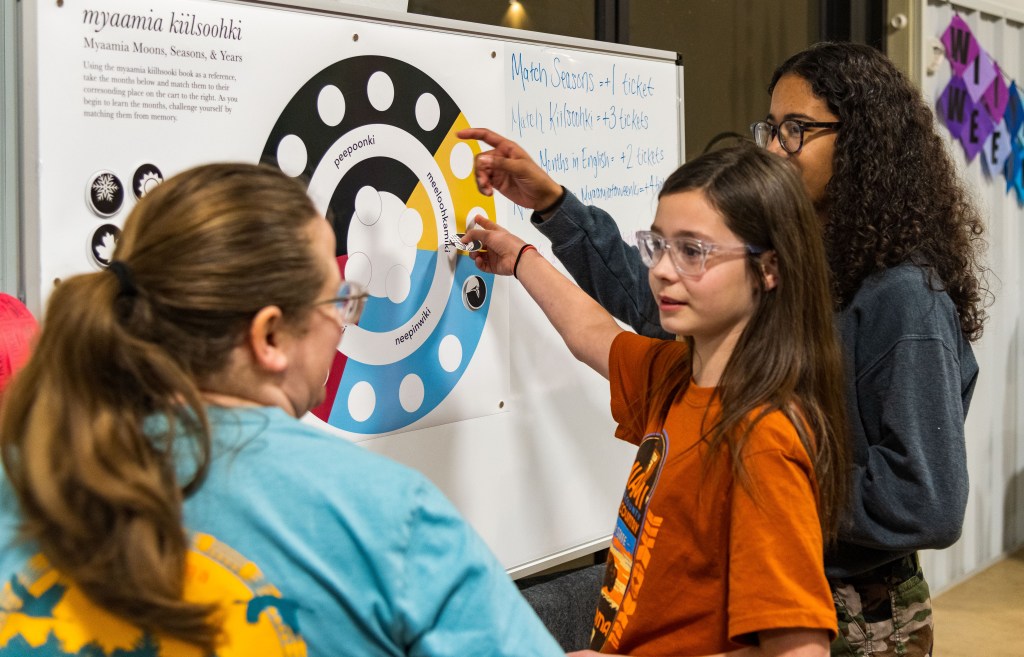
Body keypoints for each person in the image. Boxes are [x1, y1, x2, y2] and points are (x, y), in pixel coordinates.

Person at [458, 41, 988, 657]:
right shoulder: (702, 362)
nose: (775, 148)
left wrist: (760, 484)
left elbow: (926, 502)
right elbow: (617, 326)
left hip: (853, 609)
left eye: (797, 130)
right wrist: (546, 220)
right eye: (772, 128)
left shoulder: (897, 303)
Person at [0, 163, 564, 656]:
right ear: (269, 336)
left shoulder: (28, 472)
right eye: (339, 299)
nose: (344, 320)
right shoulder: (388, 518)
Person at [463, 144, 851, 657]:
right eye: (658, 246)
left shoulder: (763, 439)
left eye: (692, 252)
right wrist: (519, 257)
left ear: (768, 268)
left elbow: (799, 653)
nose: (663, 270)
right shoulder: (679, 376)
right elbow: (594, 335)